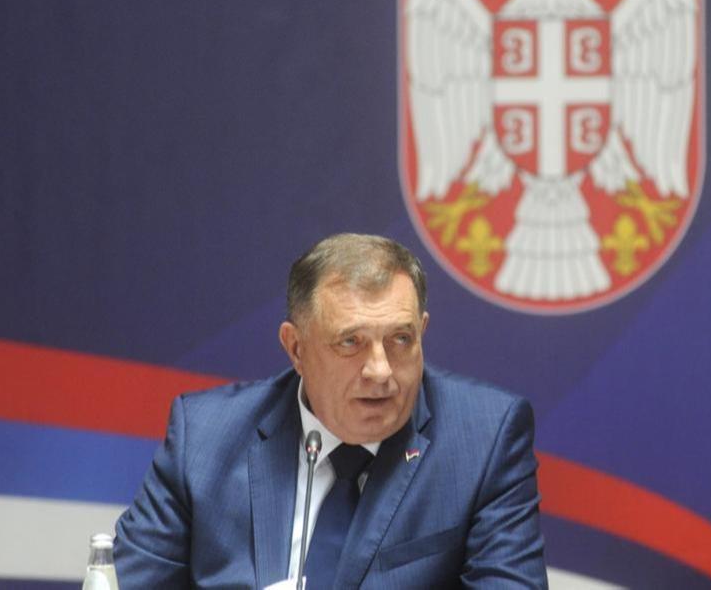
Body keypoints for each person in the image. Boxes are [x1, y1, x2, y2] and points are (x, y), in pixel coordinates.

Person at [115, 233, 547, 588]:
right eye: (350, 342)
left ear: (423, 332)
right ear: (296, 348)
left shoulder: (484, 439)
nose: (380, 371)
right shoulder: (205, 437)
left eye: (401, 339)